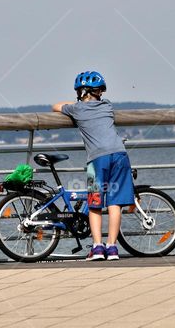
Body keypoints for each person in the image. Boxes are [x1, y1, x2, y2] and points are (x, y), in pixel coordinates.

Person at [52, 70, 135, 261]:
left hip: (96, 160)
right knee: (115, 204)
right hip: (120, 155)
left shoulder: (77, 109)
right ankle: (112, 248)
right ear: (100, 92)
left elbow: (55, 106)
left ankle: (97, 247)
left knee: (95, 203)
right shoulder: (107, 106)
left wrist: (75, 102)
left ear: (81, 93)